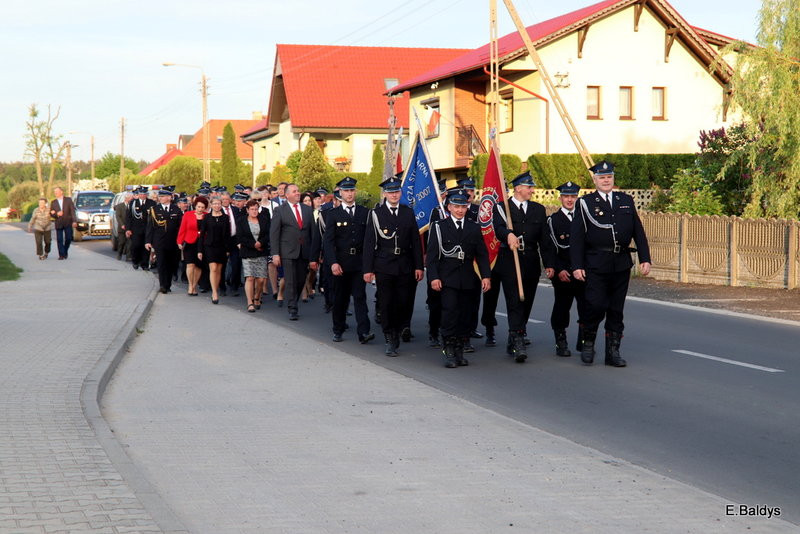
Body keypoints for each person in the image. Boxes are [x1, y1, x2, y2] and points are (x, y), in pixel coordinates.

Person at [571, 160, 651, 367]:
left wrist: (645, 258)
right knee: (595, 305)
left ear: (613, 179)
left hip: (621, 263)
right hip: (596, 263)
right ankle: (588, 342)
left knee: (616, 309)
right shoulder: (585, 203)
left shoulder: (625, 200)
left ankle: (612, 352)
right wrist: (576, 265)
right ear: (595, 180)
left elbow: (638, 231)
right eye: (602, 177)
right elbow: (577, 237)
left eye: (609, 177)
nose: (606, 180)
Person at [492, 171, 555, 363]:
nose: (532, 190)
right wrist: (507, 235)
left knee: (526, 301)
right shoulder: (503, 208)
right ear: (518, 188)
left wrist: (549, 263)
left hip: (530, 260)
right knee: (515, 300)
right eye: (529, 187)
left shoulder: (538, 209)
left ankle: (515, 333)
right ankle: (518, 339)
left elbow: (545, 239)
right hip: (509, 260)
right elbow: (498, 227)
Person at [427, 189, 491, 368]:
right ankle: (448, 348)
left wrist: (486, 276)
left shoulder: (473, 227)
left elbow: (482, 254)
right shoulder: (439, 227)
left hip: (468, 278)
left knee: (465, 315)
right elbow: (432, 257)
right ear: (449, 207)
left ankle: (459, 349)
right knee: (449, 313)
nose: (460, 210)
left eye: (463, 206)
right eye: (456, 206)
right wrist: (433, 277)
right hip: (447, 278)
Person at [363, 176, 424, 357]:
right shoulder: (376, 214)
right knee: (386, 302)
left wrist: (419, 266)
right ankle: (390, 336)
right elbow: (369, 243)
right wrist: (368, 269)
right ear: (385, 194)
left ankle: (398, 329)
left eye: (397, 191)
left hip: (405, 264)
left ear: (401, 193)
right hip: (384, 264)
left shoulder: (408, 212)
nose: (394, 195)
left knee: (403, 301)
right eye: (390, 192)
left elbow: (415, 241)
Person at [322, 176, 374, 344]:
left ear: (355, 192)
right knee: (340, 299)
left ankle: (363, 332)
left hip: (359, 262)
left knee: (360, 297)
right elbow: (328, 242)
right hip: (341, 262)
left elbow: (369, 241)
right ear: (340, 193)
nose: (349, 194)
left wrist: (369, 266)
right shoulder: (333, 214)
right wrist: (333, 263)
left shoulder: (364, 212)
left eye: (352, 190)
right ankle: (338, 329)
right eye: (346, 191)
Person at [545, 181, 587, 357]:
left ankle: (584, 341)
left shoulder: (584, 217)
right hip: (563, 272)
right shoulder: (553, 220)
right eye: (566, 196)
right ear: (560, 198)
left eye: (573, 196)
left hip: (583, 272)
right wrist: (559, 269)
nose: (570, 200)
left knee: (586, 308)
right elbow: (549, 248)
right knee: (562, 308)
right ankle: (560, 341)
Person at [270, 183, 316, 320]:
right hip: (287, 251)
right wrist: (275, 253)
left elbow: (312, 232)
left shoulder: (307, 210)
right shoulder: (280, 210)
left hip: (304, 251)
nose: (297, 193)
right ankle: (292, 308)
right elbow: (274, 233)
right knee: (290, 280)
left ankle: (293, 300)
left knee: (301, 279)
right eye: (294, 191)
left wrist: (314, 253)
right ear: (287, 194)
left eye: (298, 191)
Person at [145, 186, 183, 294]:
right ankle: (162, 285)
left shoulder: (176, 209)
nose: (160, 198)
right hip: (159, 241)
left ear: (169, 197)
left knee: (171, 264)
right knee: (161, 263)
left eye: (163, 196)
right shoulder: (154, 210)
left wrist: (181, 240)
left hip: (172, 241)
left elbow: (180, 226)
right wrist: (148, 241)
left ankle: (168, 284)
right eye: (160, 196)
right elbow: (150, 227)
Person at [237, 199, 270, 313]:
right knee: (250, 277)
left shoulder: (264, 220)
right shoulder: (241, 221)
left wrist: (260, 243)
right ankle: (249, 302)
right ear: (247, 210)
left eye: (256, 209)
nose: (254, 211)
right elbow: (240, 237)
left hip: (261, 251)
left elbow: (268, 234)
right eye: (252, 209)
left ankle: (257, 296)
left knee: (260, 280)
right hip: (248, 252)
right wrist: (253, 244)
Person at [200, 197, 233, 304]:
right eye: (215, 204)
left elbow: (227, 235)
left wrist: (228, 249)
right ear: (211, 205)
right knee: (213, 268)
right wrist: (199, 250)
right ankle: (214, 292)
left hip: (222, 247)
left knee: (219, 270)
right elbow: (202, 235)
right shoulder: (207, 217)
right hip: (209, 246)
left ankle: (217, 287)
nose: (217, 206)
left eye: (219, 204)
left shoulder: (225, 217)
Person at [177, 196, 207, 296]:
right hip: (189, 242)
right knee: (190, 264)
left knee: (198, 266)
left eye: (202, 207)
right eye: (199, 207)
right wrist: (179, 241)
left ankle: (194, 286)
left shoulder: (207, 216)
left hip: (202, 244)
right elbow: (182, 228)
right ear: (195, 206)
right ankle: (190, 285)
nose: (200, 209)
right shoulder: (187, 215)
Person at [126, 187, 154, 271]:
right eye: (141, 194)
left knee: (146, 247)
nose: (142, 195)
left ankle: (144, 264)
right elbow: (128, 217)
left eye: (144, 194)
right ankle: (135, 261)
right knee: (136, 246)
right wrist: (128, 229)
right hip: (135, 229)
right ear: (138, 194)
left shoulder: (151, 203)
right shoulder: (133, 203)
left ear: (146, 194)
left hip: (147, 229)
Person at [49, 186, 76, 260]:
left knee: (69, 238)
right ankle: (61, 255)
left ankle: (65, 251)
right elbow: (51, 213)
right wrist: (56, 214)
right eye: (55, 192)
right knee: (59, 239)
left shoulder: (68, 200)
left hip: (68, 222)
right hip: (59, 223)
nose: (56, 193)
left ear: (61, 192)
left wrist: (74, 221)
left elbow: (72, 211)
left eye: (57, 192)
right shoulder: (53, 202)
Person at [114, 192, 132, 261]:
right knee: (121, 242)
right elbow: (118, 216)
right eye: (131, 198)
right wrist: (122, 225)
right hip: (122, 228)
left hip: (129, 228)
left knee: (129, 243)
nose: (132, 199)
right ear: (127, 198)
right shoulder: (119, 206)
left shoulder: (131, 206)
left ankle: (128, 256)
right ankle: (119, 254)